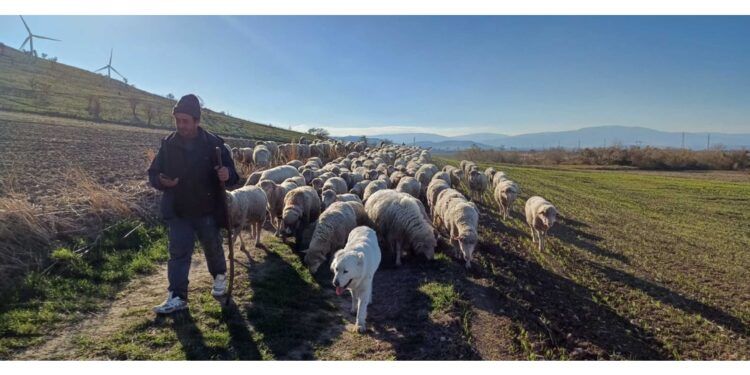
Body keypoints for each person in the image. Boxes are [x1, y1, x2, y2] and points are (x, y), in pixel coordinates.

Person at [147, 94, 239, 314]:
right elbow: (153, 172)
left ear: (197, 121)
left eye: (185, 121)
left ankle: (219, 276)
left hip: (206, 209)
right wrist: (161, 180)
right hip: (178, 209)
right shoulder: (168, 144)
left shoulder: (215, 145)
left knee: (212, 247)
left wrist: (228, 175)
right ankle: (177, 296)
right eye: (178, 120)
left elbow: (235, 176)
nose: (181, 125)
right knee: (178, 253)